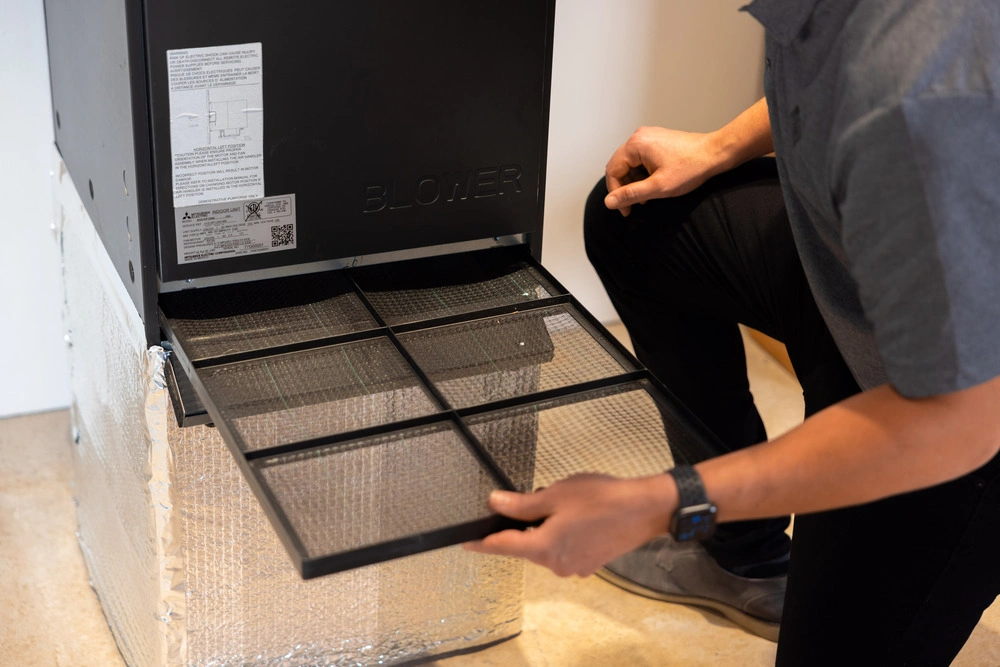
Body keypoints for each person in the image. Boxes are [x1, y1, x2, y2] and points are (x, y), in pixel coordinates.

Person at [465, 1, 1000, 663]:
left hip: (962, 414)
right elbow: (839, 76)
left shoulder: (917, 86)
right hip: (867, 282)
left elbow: (964, 414)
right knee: (638, 221)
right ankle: (746, 559)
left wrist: (669, 500)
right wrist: (718, 148)